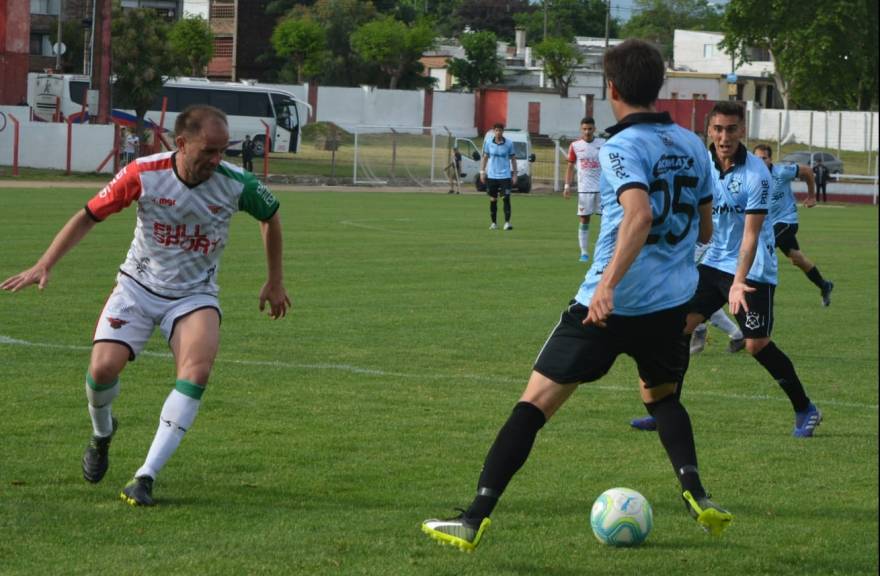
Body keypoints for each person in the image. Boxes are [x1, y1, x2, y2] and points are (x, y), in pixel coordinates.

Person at [421, 39, 732, 552]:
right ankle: (698, 495)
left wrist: (608, 284)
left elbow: (640, 214)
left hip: (606, 306)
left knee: (533, 405)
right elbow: (702, 230)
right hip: (669, 307)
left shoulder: (619, 147)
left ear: (611, 88)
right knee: (664, 397)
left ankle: (473, 518)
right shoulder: (694, 144)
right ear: (658, 87)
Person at [1, 105, 291, 506]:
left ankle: (145, 476)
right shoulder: (144, 173)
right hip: (136, 287)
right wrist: (44, 263)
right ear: (182, 142)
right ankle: (102, 434)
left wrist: (275, 280)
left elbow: (271, 216)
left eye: (223, 150)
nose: (217, 160)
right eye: (209, 151)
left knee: (197, 371)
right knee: (101, 370)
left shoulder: (235, 183)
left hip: (194, 295)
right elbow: (88, 215)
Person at [628, 102, 822, 439]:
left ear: (742, 131)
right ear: (709, 132)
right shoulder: (702, 163)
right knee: (680, 327)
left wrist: (739, 282)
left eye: (731, 129)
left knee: (756, 344)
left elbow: (750, 236)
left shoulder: (757, 175)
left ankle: (805, 407)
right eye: (718, 129)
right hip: (714, 262)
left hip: (754, 269)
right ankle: (666, 411)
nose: (724, 136)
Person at [755, 144, 834, 306]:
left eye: (764, 158)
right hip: (771, 224)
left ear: (771, 160)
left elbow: (806, 170)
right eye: (757, 158)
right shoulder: (752, 176)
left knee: (761, 247)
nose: (761, 161)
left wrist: (812, 196)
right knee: (797, 259)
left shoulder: (781, 172)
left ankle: (758, 294)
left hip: (787, 221)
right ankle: (824, 285)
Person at [563, 117, 605, 262]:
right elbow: (569, 167)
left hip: (602, 189)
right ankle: (584, 252)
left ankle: (603, 252)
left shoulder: (603, 144)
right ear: (581, 129)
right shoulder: (575, 146)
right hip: (584, 189)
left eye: (590, 129)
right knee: (584, 219)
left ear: (595, 129)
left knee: (605, 220)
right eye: (585, 129)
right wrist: (567, 186)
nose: (587, 132)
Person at [480, 123, 517, 230]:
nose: (498, 132)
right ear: (494, 131)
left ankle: (507, 223)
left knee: (506, 198)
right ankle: (494, 223)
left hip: (505, 176)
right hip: (492, 176)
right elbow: (485, 158)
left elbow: (513, 159)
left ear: (503, 131)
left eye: (500, 130)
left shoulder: (509, 143)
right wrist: (482, 172)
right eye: (496, 130)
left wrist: (515, 174)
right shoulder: (488, 143)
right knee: (493, 199)